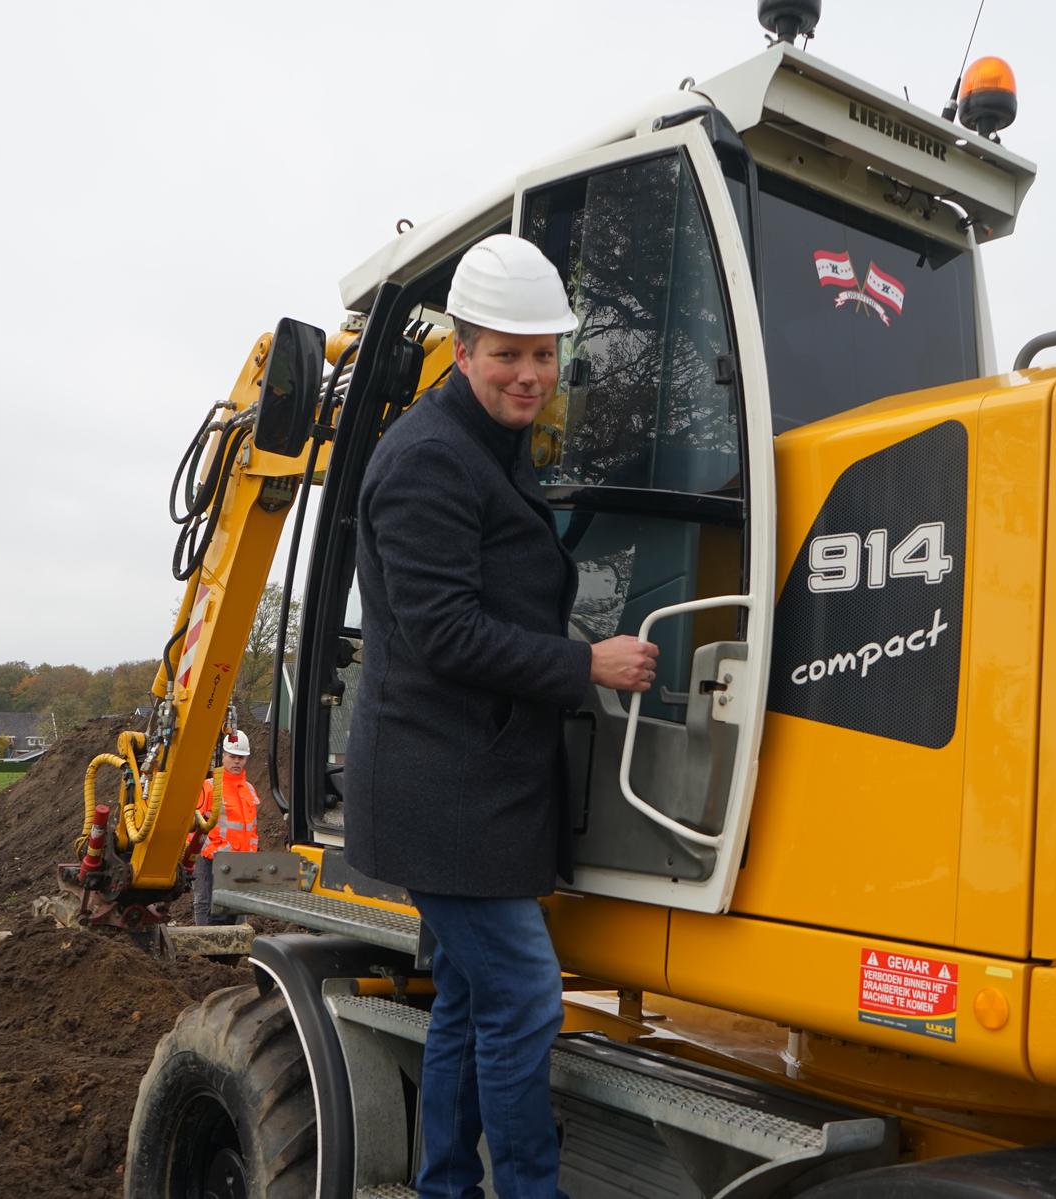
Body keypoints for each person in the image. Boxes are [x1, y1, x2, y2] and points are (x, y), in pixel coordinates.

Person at [345, 233, 659, 1198]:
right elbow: (443, 632)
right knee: (522, 999)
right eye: (508, 354)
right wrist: (585, 662)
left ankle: (447, 1185)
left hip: (482, 781)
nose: (530, 374)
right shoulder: (427, 461)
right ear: (462, 350)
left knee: (470, 1007)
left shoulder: (486, 445)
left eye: (543, 354)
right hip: (445, 792)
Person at [191, 729, 260, 927]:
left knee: (237, 907)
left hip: (240, 861)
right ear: (224, 756)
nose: (237, 762)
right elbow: (193, 826)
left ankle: (234, 951)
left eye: (241, 758)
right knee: (207, 903)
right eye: (233, 757)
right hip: (211, 859)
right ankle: (205, 951)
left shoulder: (249, 789)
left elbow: (251, 829)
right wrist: (202, 853)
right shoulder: (210, 787)